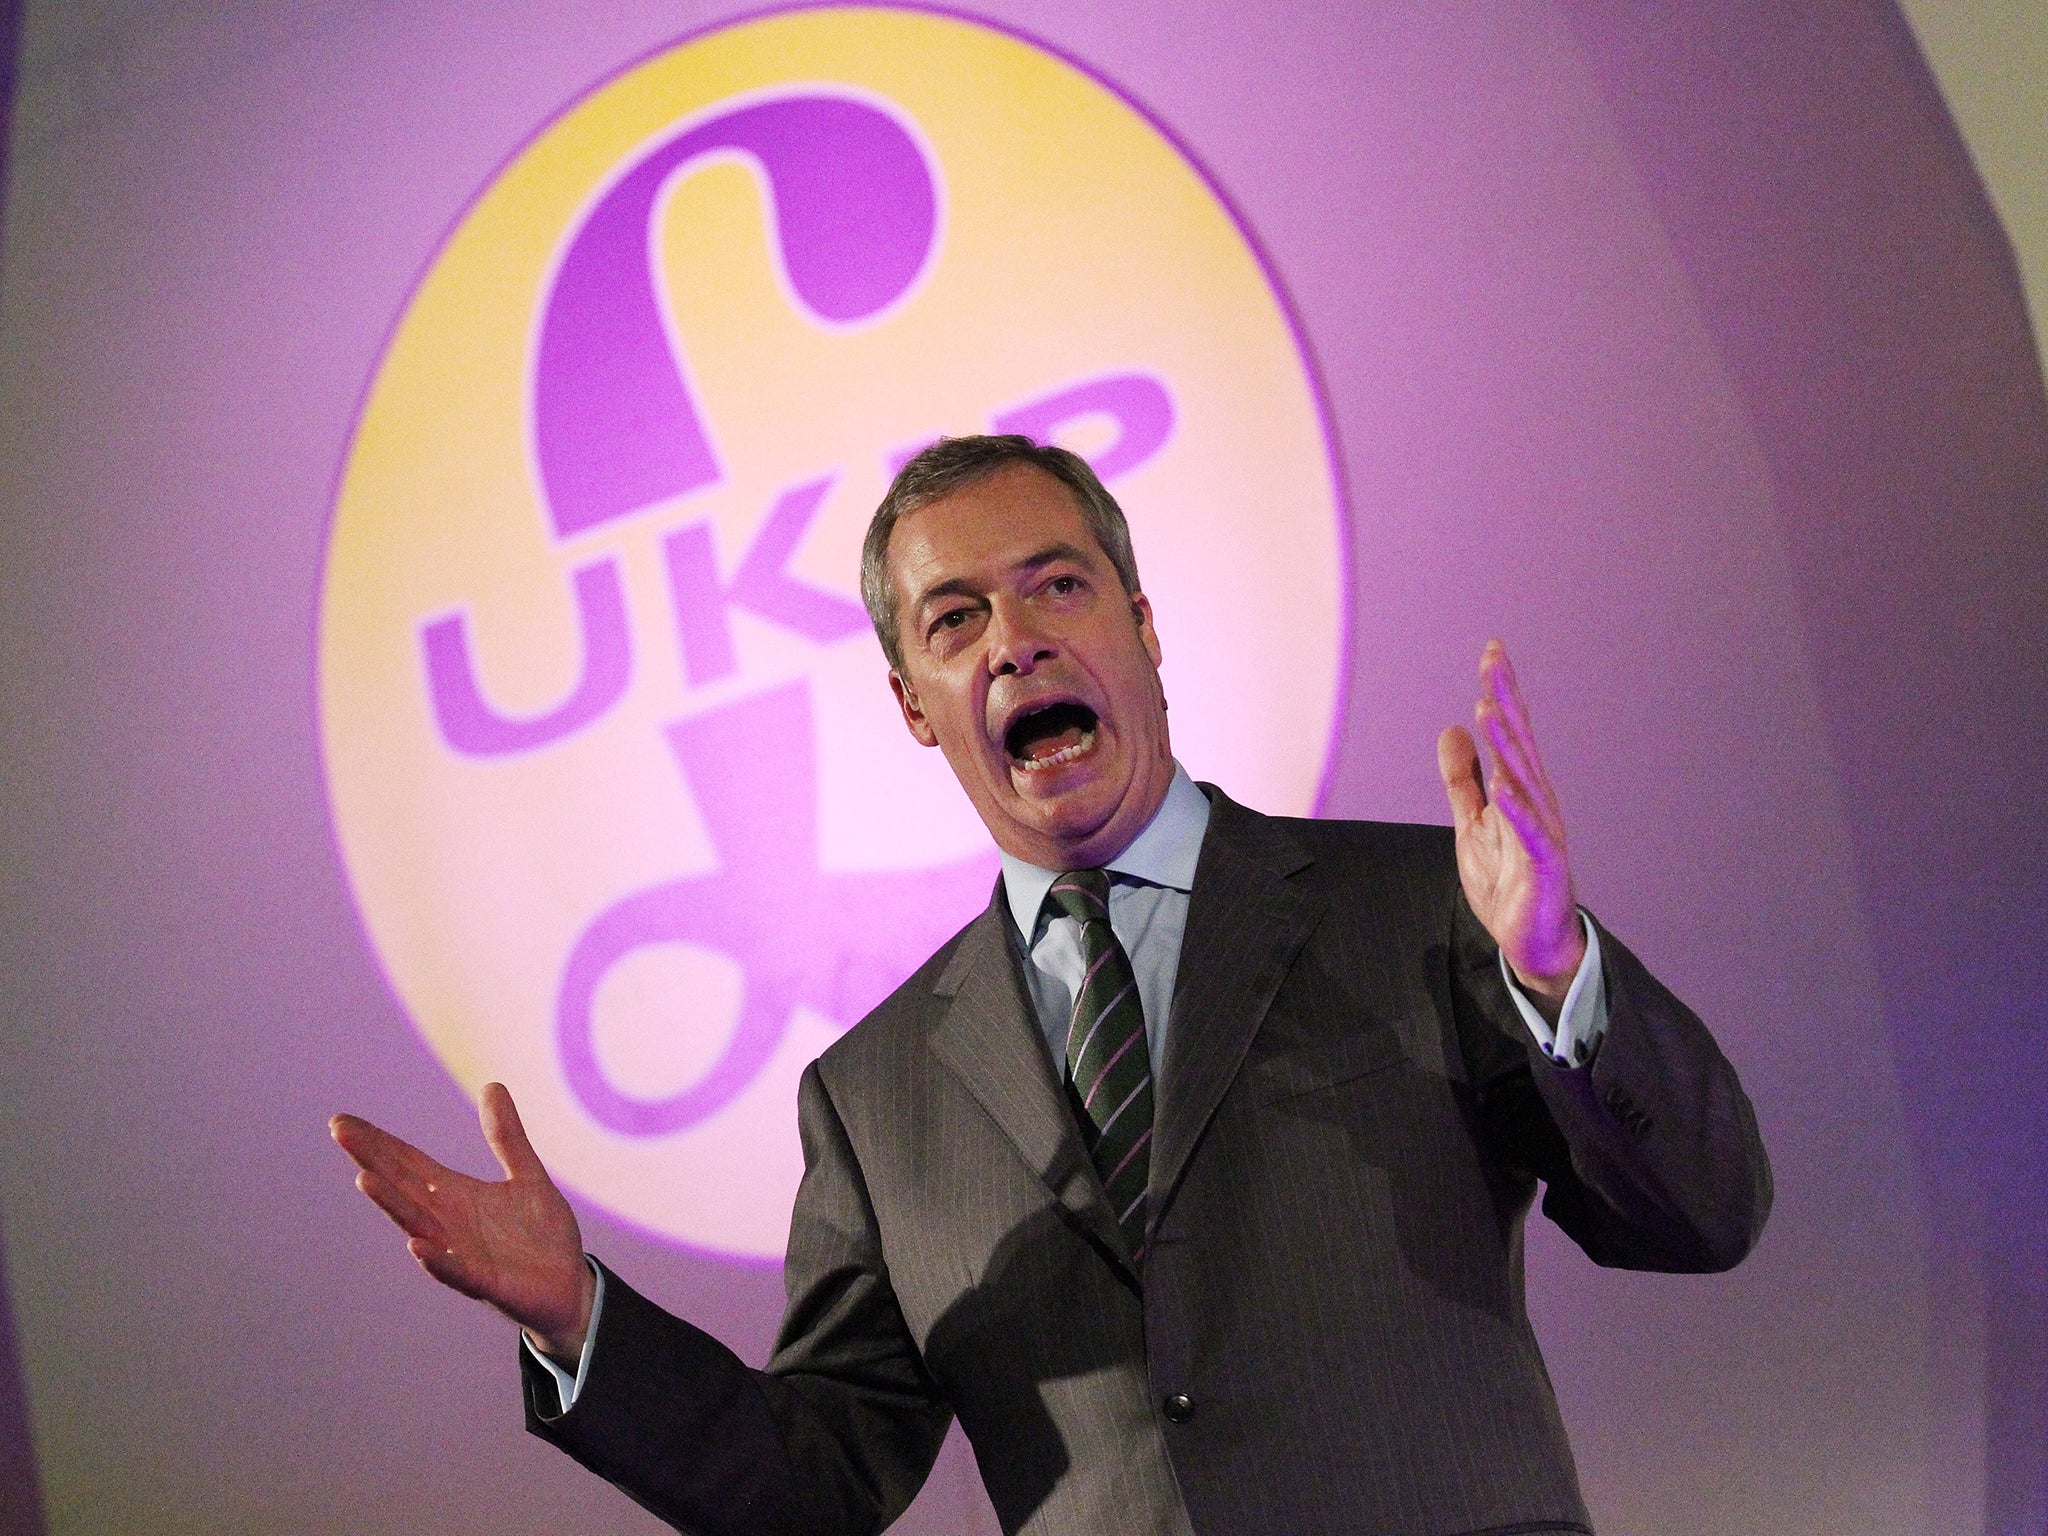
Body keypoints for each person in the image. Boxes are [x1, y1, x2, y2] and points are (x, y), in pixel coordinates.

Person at [333, 436, 1770, 1536]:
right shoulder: (876, 1096)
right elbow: (821, 1480)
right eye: (953, 619)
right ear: (912, 704)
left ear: (1143, 626)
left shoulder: (1418, 906)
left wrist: (1558, 975)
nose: (1014, 637)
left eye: (1056, 584)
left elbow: (1702, 1216)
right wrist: (580, 1317)